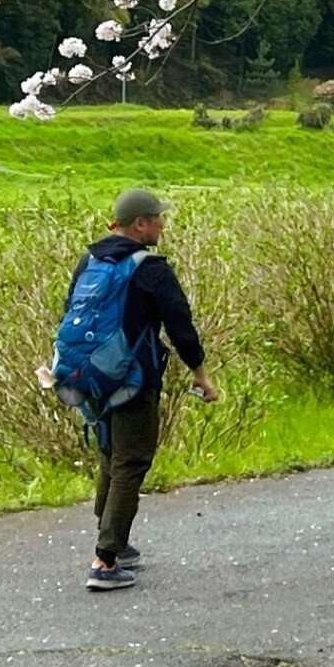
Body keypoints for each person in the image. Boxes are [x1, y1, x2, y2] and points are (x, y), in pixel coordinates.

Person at [66, 188, 213, 592]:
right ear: (140, 224)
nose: (163, 225)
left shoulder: (89, 260)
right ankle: (106, 561)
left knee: (111, 456)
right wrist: (199, 372)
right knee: (131, 462)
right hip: (133, 378)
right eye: (158, 218)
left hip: (89, 375)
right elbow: (180, 324)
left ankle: (117, 541)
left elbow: (69, 312)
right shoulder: (150, 268)